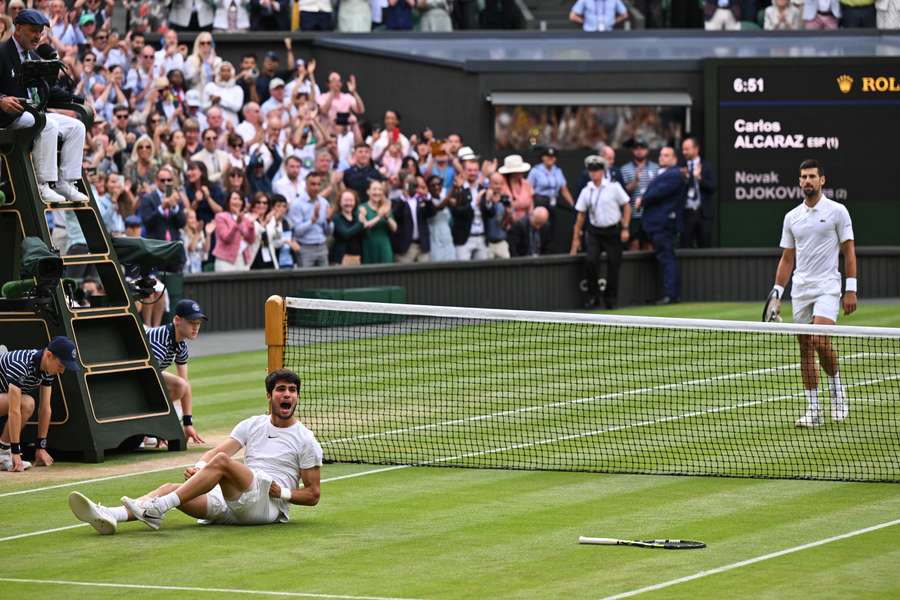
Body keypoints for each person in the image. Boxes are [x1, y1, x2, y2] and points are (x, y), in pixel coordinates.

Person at [68, 368, 322, 534]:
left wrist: (284, 492)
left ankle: (159, 508)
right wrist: (200, 469)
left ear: (297, 397)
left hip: (267, 506)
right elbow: (214, 454)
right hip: (235, 504)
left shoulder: (305, 439)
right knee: (171, 487)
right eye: (281, 389)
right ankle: (109, 516)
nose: (287, 395)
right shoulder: (252, 424)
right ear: (269, 395)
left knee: (222, 462)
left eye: (292, 390)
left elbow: (313, 495)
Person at [770, 159, 856, 428]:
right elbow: (786, 259)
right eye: (803, 177)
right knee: (805, 347)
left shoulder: (838, 211)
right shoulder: (791, 217)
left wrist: (850, 290)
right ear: (799, 182)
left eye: (812, 176)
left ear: (822, 180)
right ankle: (814, 410)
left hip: (828, 287)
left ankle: (838, 393)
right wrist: (776, 294)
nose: (807, 181)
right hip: (801, 290)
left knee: (820, 341)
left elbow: (849, 251)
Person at [0, 10, 87, 203]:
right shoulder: (2, 52)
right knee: (47, 124)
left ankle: (66, 182)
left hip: (33, 114)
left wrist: (79, 100)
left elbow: (49, 89)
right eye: (33, 30)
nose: (37, 36)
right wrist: (2, 100)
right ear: (19, 28)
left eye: (40, 31)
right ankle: (42, 184)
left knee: (76, 127)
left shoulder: (35, 56)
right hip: (9, 117)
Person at [0, 336, 80, 472]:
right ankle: (4, 454)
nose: (62, 371)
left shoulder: (47, 369)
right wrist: (15, 451)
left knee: (26, 403)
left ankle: (2, 454)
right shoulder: (20, 364)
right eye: (61, 365)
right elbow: (14, 410)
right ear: (49, 355)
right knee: (26, 403)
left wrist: (40, 447)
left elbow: (45, 408)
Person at [570, 155, 631, 310]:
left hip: (613, 230)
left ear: (602, 171)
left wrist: (625, 227)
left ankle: (611, 299)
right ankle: (593, 297)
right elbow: (581, 215)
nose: (594, 173)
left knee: (613, 265)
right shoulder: (586, 190)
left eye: (596, 170)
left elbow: (626, 206)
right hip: (595, 231)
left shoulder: (614, 187)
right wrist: (575, 239)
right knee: (591, 261)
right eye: (591, 170)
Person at [144, 300, 208, 445]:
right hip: (132, 377)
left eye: (198, 323)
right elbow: (147, 383)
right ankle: (147, 429)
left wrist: (187, 423)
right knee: (171, 387)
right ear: (177, 320)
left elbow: (185, 385)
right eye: (192, 322)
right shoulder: (159, 342)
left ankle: (151, 426)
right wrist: (160, 426)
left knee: (181, 385)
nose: (196, 327)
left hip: (146, 374)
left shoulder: (181, 344)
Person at [638, 146, 686, 305]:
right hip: (657, 224)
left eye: (666, 155)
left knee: (667, 258)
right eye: (661, 155)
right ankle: (671, 294)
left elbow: (657, 192)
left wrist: (642, 200)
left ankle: (671, 295)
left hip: (663, 224)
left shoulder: (675, 174)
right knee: (665, 258)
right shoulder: (665, 174)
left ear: (674, 159)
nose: (662, 157)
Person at [620, 138, 658, 251]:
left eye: (642, 148)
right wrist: (635, 181)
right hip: (633, 216)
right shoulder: (625, 169)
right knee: (633, 245)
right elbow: (623, 193)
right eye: (636, 148)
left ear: (647, 150)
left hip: (650, 214)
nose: (639, 151)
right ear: (633, 151)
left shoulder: (655, 168)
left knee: (649, 245)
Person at [680, 135, 716, 249]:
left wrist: (698, 178)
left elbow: (713, 187)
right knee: (685, 246)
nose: (684, 152)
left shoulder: (707, 166)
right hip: (686, 213)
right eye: (683, 149)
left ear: (696, 149)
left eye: (687, 149)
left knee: (705, 246)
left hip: (703, 213)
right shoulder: (680, 167)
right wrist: (685, 179)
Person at [291, 171, 333, 268]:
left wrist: (329, 221)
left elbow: (328, 232)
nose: (316, 188)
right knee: (306, 280)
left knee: (325, 280)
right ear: (306, 185)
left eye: (318, 184)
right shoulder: (297, 204)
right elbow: (296, 232)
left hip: (322, 246)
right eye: (313, 184)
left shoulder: (324, 203)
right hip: (305, 248)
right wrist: (312, 221)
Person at [391, 175, 435, 263]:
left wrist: (427, 197)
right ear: (404, 185)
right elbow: (396, 215)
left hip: (422, 245)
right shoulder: (397, 201)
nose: (412, 187)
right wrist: (404, 197)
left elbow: (432, 213)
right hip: (405, 246)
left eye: (414, 184)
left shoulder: (422, 199)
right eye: (409, 184)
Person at [213, 191, 256, 271]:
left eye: (240, 199)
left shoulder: (245, 218)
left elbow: (251, 240)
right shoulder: (220, 217)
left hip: (243, 260)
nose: (237, 202)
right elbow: (226, 238)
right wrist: (237, 224)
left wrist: (251, 226)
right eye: (235, 199)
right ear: (228, 201)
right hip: (225, 260)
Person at [359, 180, 396, 264]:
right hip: (369, 247)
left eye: (380, 189)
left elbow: (394, 228)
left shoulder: (385, 207)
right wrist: (380, 216)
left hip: (384, 246)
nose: (377, 192)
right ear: (368, 191)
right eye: (374, 189)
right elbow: (365, 226)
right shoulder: (362, 207)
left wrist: (387, 217)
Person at [330, 189, 365, 265]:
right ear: (340, 202)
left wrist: (363, 219)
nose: (349, 203)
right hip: (341, 258)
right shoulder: (337, 218)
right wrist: (360, 223)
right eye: (346, 200)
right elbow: (346, 234)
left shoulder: (357, 217)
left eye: (351, 200)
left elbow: (364, 234)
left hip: (357, 257)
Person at [425, 175, 455, 262]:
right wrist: (452, 189)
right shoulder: (427, 202)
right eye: (433, 185)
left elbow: (455, 203)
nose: (436, 187)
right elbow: (439, 207)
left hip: (447, 238)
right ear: (428, 187)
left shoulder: (444, 199)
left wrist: (457, 189)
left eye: (438, 184)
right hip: (434, 239)